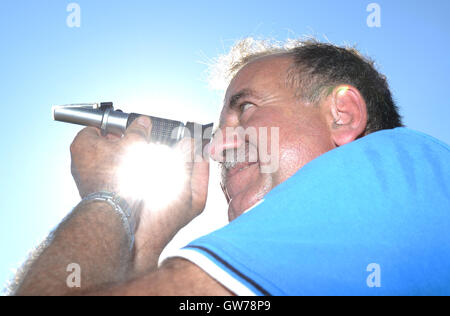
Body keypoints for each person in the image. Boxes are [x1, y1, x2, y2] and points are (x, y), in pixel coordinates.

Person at [11, 38, 450, 296]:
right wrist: (147, 239)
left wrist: (108, 198)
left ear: (344, 115)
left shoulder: (393, 169)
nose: (219, 147)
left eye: (246, 108)